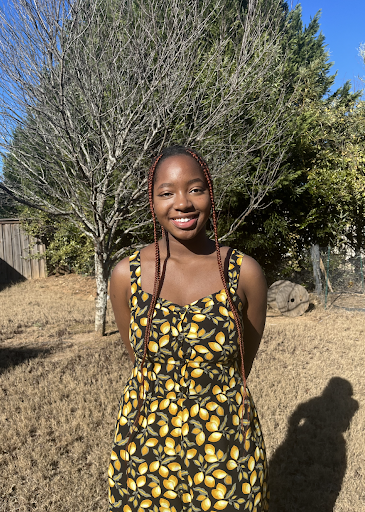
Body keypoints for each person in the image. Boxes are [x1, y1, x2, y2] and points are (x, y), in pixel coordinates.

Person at [108, 146, 269, 512]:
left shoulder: (244, 273)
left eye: (195, 189)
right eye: (167, 192)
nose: (183, 203)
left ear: (210, 193)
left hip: (226, 443)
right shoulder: (124, 276)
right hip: (145, 445)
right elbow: (139, 361)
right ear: (152, 201)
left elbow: (244, 362)